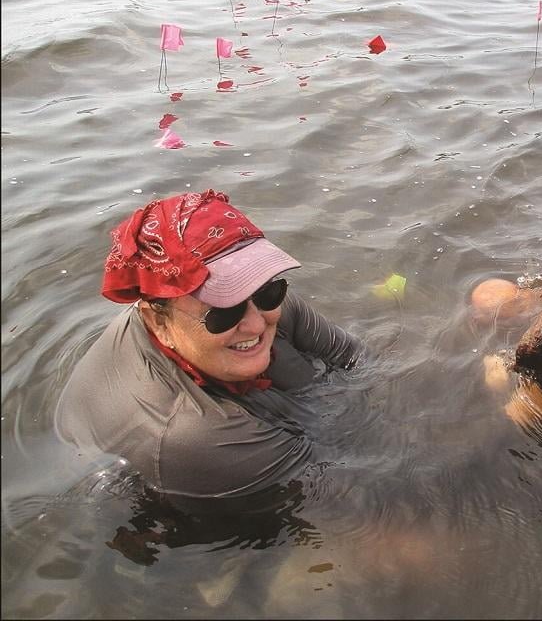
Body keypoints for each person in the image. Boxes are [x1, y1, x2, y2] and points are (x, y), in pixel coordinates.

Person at [55, 189, 365, 500]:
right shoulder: (196, 435)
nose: (257, 322)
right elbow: (343, 496)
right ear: (158, 323)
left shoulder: (253, 304)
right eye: (223, 311)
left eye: (266, 289)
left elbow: (357, 360)